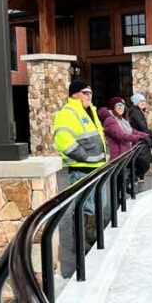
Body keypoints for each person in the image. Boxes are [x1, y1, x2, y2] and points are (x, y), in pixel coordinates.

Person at [53, 80, 108, 219]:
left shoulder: (91, 111)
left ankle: (94, 237)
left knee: (101, 204)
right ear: (75, 94)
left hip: (98, 166)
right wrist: (84, 156)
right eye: (86, 93)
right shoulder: (67, 113)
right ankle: (84, 238)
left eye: (91, 93)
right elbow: (63, 140)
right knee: (86, 209)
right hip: (81, 170)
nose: (89, 96)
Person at [100, 97, 150, 182]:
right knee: (117, 183)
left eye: (122, 106)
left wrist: (147, 135)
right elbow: (122, 136)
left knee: (121, 182)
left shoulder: (122, 119)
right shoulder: (110, 120)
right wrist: (140, 137)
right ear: (113, 107)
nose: (120, 108)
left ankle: (127, 186)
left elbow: (132, 131)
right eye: (118, 106)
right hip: (116, 156)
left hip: (124, 155)